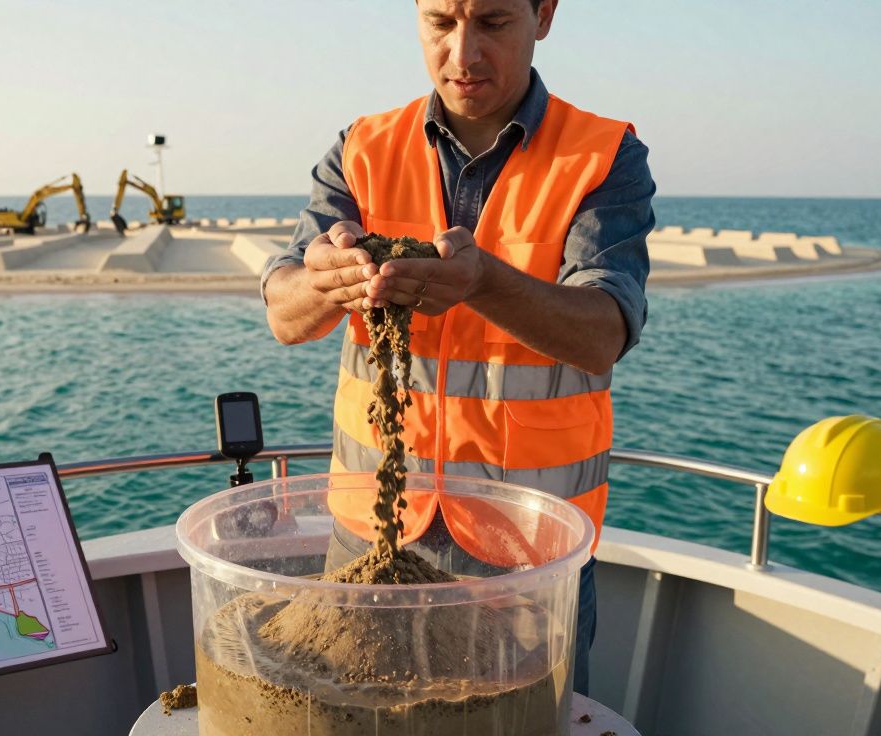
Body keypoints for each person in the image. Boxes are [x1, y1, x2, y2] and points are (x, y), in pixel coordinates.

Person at [261, 0, 654, 696]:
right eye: (441, 22)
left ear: (544, 15)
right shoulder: (362, 148)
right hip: (368, 531)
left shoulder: (602, 156)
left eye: (493, 23)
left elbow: (602, 333)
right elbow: (286, 316)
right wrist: (324, 282)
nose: (463, 54)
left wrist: (485, 282)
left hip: (528, 553)